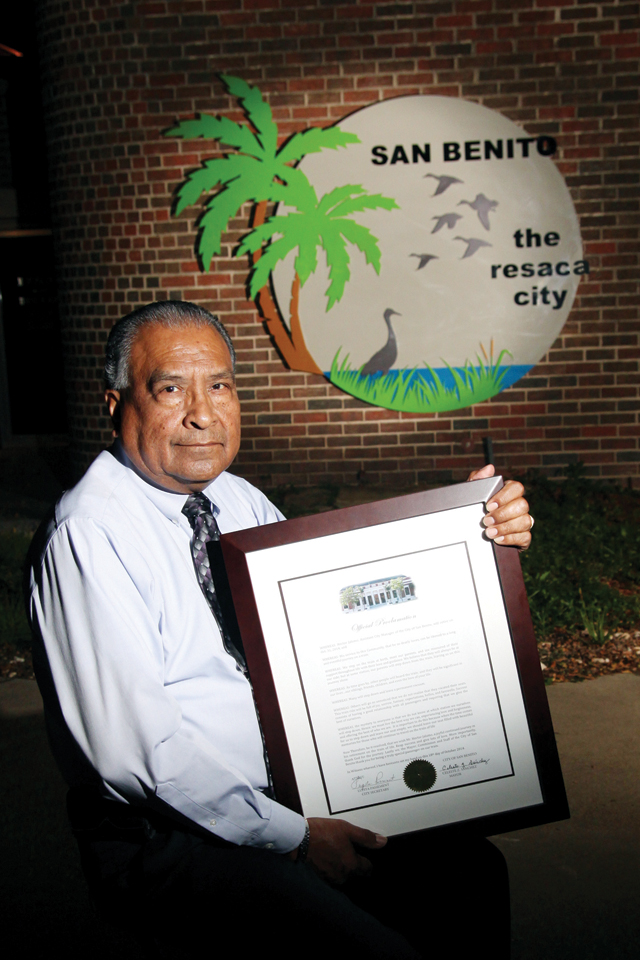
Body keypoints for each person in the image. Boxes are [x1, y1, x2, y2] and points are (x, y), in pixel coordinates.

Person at [27, 301, 533, 958]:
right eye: (171, 388)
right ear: (115, 403)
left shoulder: (237, 501)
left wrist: (472, 536)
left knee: (470, 875)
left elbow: (332, 624)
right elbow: (142, 762)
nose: (202, 413)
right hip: (173, 836)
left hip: (294, 790)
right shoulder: (90, 536)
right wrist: (294, 836)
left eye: (220, 386)